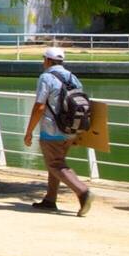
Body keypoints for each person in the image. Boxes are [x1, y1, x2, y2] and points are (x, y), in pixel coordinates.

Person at [23, 46, 94, 216]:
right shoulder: (73, 77)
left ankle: (83, 192)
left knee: (55, 164)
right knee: (56, 163)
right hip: (71, 129)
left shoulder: (46, 77)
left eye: (43, 59)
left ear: (47, 60)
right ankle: (50, 200)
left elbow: (40, 106)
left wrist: (29, 131)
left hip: (52, 130)